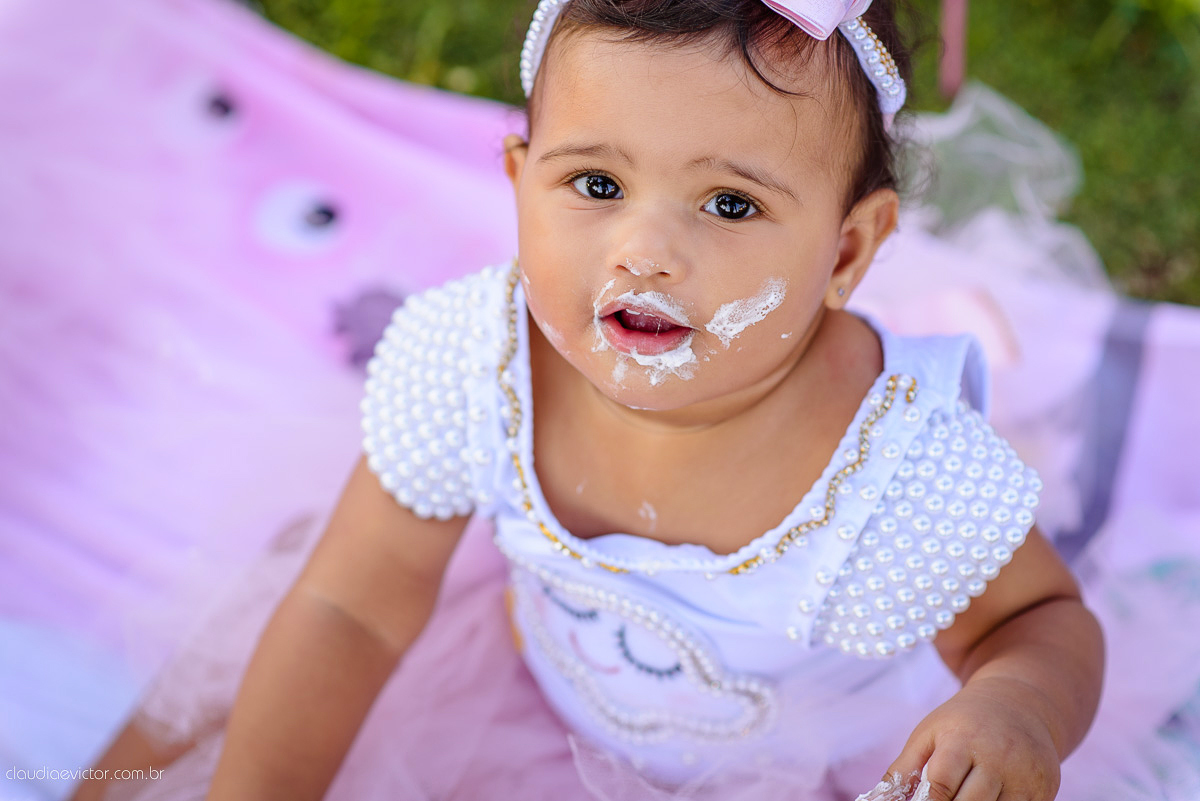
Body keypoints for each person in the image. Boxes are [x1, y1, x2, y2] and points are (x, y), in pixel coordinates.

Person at [72, 1, 1105, 799]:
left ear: (845, 251)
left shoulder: (893, 467)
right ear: (519, 181)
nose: (646, 251)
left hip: (828, 764)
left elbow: (1040, 619)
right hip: (543, 703)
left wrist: (1016, 702)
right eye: (597, 185)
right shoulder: (478, 366)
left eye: (730, 203)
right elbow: (350, 605)